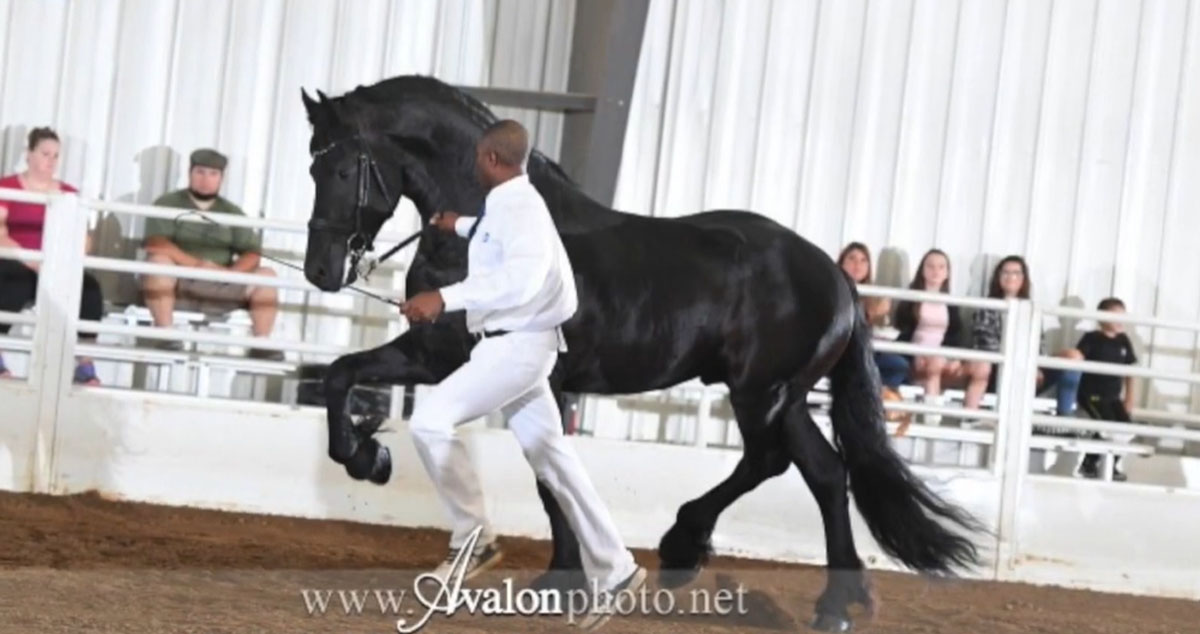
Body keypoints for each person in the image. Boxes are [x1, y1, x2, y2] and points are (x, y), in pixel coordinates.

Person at [400, 119, 645, 628]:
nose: (473, 166)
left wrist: (443, 297)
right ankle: (616, 567)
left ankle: (475, 538)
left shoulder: (522, 210)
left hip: (514, 349)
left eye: (476, 159)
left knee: (428, 421)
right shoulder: (510, 203)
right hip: (524, 348)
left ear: (490, 158)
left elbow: (523, 277)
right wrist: (457, 225)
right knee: (553, 458)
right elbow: (496, 238)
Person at [141, 149, 281, 360]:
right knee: (158, 262)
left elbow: (252, 253)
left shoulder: (231, 212)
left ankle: (260, 343)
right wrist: (198, 266)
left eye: (213, 174)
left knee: (267, 274)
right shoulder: (168, 203)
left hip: (221, 285)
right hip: (180, 283)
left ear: (221, 178)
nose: (205, 180)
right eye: (200, 172)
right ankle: (165, 335)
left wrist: (229, 273)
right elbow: (157, 244)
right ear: (190, 173)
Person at [0, 127, 103, 384]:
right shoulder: (7, 186)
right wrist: (32, 260)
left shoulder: (68, 193)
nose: (51, 161)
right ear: (29, 154)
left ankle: (85, 363)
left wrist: (62, 260)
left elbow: (82, 238)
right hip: (18, 258)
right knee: (10, 282)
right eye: (45, 153)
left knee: (90, 289)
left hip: (56, 263)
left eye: (56, 155)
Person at [965, 255, 1084, 415]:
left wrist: (1036, 364)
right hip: (997, 371)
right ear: (998, 277)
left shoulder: (1030, 309)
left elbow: (1039, 344)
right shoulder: (988, 307)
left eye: (1016, 273)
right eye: (1005, 272)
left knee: (1073, 356)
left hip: (1030, 370)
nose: (1011, 277)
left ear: (1023, 278)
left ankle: (1064, 417)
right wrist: (1024, 366)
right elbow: (986, 345)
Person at [893, 249, 965, 418]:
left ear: (947, 273)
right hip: (915, 358)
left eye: (941, 267)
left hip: (941, 358)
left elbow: (954, 336)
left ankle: (953, 416)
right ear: (922, 270)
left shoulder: (951, 304)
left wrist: (954, 359)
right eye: (930, 266)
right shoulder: (911, 299)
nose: (935, 271)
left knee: (940, 362)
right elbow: (902, 332)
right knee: (934, 363)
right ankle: (932, 416)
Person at [1074, 297, 1138, 480]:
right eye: (1114, 316)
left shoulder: (1124, 340)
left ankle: (1111, 465)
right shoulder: (1092, 338)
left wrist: (1129, 398)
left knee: (1126, 430)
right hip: (1092, 395)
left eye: (1122, 316)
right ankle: (1089, 464)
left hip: (1113, 397)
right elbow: (1076, 359)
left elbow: (1130, 370)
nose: (1120, 321)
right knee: (1107, 428)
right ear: (1101, 318)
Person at [837, 242, 908, 391]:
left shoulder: (874, 295)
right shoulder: (835, 290)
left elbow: (881, 328)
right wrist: (871, 314)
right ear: (842, 262)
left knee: (899, 365)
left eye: (863, 260)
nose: (858, 264)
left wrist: (882, 316)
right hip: (841, 350)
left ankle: (877, 398)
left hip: (869, 348)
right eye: (852, 258)